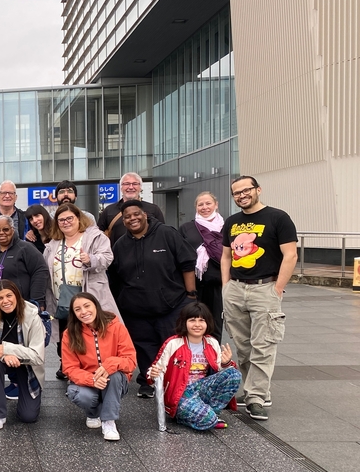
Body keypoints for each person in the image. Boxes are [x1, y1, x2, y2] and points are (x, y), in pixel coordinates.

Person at [220, 175, 298, 421]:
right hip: (235, 289)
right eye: (237, 193)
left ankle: (255, 397)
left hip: (265, 288)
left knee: (263, 346)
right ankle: (256, 390)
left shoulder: (278, 217)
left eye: (246, 190)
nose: (242, 195)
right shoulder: (232, 222)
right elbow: (226, 256)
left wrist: (278, 288)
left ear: (258, 190)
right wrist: (226, 286)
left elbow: (290, 255)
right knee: (243, 347)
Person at [110, 199, 196, 398]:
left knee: (171, 344)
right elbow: (115, 276)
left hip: (171, 303)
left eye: (136, 214)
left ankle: (175, 381)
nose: (132, 219)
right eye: (127, 217)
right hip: (135, 309)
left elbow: (187, 263)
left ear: (145, 215)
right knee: (144, 346)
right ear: (123, 221)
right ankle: (148, 381)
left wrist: (191, 295)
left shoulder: (167, 233)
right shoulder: (120, 244)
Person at [44, 202, 119, 380]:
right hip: (62, 300)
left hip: (89, 296)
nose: (66, 222)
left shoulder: (94, 237)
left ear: (79, 218)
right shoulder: (54, 243)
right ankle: (74, 372)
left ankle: (96, 371)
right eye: (61, 220)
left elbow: (108, 257)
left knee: (91, 335)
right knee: (68, 336)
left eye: (70, 218)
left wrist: (91, 259)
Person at [148, 302, 242, 431]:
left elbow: (221, 371)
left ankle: (212, 412)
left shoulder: (211, 342)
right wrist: (153, 375)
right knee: (208, 421)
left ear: (207, 323)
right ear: (184, 322)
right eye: (192, 320)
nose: (197, 324)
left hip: (201, 388)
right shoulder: (173, 343)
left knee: (234, 374)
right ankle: (192, 416)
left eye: (201, 320)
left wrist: (226, 363)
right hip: (180, 394)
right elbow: (153, 371)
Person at [60, 292, 136, 442]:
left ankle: (109, 422)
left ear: (96, 306)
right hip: (89, 383)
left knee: (114, 375)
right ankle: (93, 413)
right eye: (77, 309)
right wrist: (92, 379)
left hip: (115, 382)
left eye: (87, 306)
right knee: (77, 393)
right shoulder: (70, 333)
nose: (83, 312)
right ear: (74, 313)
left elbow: (131, 361)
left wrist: (110, 365)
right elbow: (69, 368)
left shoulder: (117, 327)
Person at [0, 281, 45, 430]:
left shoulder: (32, 316)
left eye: (9, 296)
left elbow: (37, 356)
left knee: (28, 416)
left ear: (17, 296)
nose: (5, 301)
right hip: (0, 361)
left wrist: (7, 348)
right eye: (0, 298)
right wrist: (3, 355)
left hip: (26, 364)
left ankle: (22, 390)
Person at [0, 215, 50, 310]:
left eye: (6, 229)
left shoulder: (25, 248)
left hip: (22, 309)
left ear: (13, 230)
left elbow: (40, 271)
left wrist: (37, 302)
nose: (1, 233)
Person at [180, 192, 225, 340]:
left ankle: (213, 352)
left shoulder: (226, 227)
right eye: (200, 204)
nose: (204, 207)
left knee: (215, 323)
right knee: (193, 322)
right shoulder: (187, 228)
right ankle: (194, 352)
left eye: (208, 203)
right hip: (195, 285)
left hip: (219, 284)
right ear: (196, 207)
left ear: (216, 205)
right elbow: (180, 254)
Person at [97, 172, 165, 242]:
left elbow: (162, 234)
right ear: (121, 187)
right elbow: (98, 235)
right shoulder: (109, 210)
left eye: (135, 184)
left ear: (140, 187)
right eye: (127, 184)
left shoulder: (153, 209)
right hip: (118, 248)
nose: (131, 187)